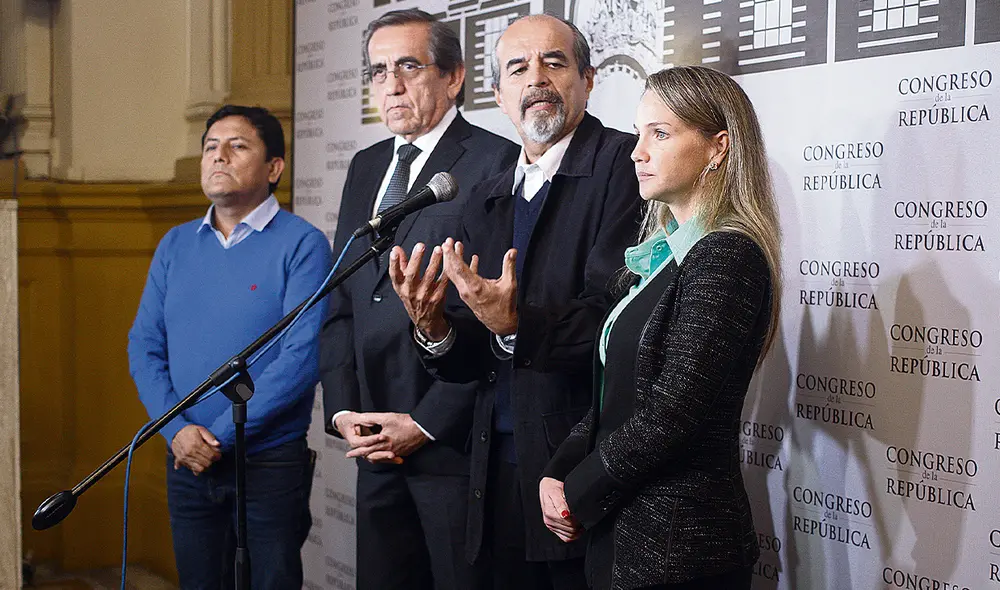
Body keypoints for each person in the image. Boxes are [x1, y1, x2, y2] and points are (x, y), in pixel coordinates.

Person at [389, 14, 642, 590]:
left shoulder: (624, 169)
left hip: (577, 469)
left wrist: (515, 323)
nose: (538, 80)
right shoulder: (487, 195)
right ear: (499, 97)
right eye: (518, 68)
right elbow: (467, 360)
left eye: (554, 63)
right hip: (490, 468)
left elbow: (619, 323)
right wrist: (433, 327)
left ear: (588, 79)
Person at [538, 65, 783, 590]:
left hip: (681, 551)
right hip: (623, 535)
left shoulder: (726, 255)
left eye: (661, 133)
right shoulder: (663, 260)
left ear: (719, 148)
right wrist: (557, 473)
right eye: (639, 131)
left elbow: (675, 413)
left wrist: (579, 493)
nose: (636, 151)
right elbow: (619, 398)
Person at [319, 9, 519, 590]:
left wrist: (427, 424)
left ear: (454, 75)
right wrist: (343, 412)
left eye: (408, 66)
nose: (392, 85)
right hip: (371, 443)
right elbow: (341, 303)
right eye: (378, 72)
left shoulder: (495, 162)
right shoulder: (366, 166)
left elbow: (496, 316)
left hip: (451, 448)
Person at [127, 105, 330, 589]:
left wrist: (215, 437)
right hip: (185, 458)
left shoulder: (303, 244)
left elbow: (301, 358)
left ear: (274, 168)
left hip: (266, 462)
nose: (219, 157)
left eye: (237, 146)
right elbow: (145, 347)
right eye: (210, 147)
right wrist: (176, 431)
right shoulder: (175, 245)